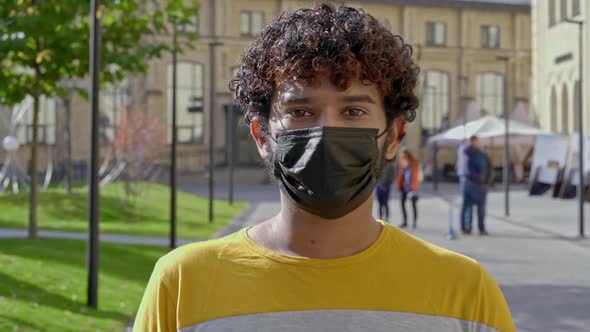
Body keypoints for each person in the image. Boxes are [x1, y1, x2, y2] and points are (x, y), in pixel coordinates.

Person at [134, 4, 515, 331]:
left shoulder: (465, 290)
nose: (325, 132)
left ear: (394, 135)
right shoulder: (182, 283)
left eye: (353, 111)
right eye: (300, 112)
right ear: (262, 137)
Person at [460, 136, 493, 235]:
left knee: (467, 207)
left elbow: (488, 168)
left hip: (469, 183)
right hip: (476, 184)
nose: (479, 143)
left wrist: (487, 181)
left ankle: (467, 228)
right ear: (472, 142)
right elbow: (486, 169)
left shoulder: (467, 154)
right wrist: (485, 182)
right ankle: (479, 229)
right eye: (477, 142)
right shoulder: (475, 154)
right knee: (478, 207)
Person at [396, 148, 420, 228]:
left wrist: (414, 188)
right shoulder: (403, 164)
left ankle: (414, 223)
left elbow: (415, 177)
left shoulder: (414, 164)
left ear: (407, 155)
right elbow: (400, 176)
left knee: (413, 205)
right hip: (404, 187)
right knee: (402, 204)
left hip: (412, 188)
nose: (401, 156)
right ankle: (405, 221)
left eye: (403, 155)